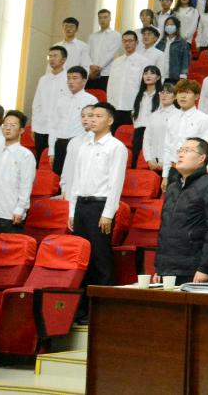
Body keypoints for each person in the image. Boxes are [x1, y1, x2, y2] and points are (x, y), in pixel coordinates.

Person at [66, 102, 128, 316]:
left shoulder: (116, 147)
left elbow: (116, 183)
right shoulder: (84, 146)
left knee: (100, 257)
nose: (92, 119)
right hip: (81, 205)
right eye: (90, 116)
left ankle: (104, 310)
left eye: (98, 116)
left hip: (100, 206)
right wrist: (72, 211)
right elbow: (76, 181)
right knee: (82, 258)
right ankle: (82, 309)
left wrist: (108, 213)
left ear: (110, 120)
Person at [154, 137, 208, 285]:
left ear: (202, 158)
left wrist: (205, 268)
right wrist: (159, 267)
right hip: (167, 269)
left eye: (187, 150)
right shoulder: (172, 187)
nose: (181, 154)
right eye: (180, 150)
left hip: (193, 269)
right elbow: (164, 230)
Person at [0, 111, 33, 243]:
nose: (8, 128)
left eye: (13, 125)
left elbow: (26, 186)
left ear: (21, 130)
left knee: (7, 251)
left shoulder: (25, 155)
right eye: (5, 125)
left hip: (10, 213)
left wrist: (20, 209)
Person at [161, 80, 208, 182]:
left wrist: (202, 176)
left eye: (187, 93)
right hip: (173, 170)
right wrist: (165, 175)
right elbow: (167, 148)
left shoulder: (204, 119)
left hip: (193, 172)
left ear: (196, 96)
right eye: (180, 92)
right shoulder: (172, 119)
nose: (183, 96)